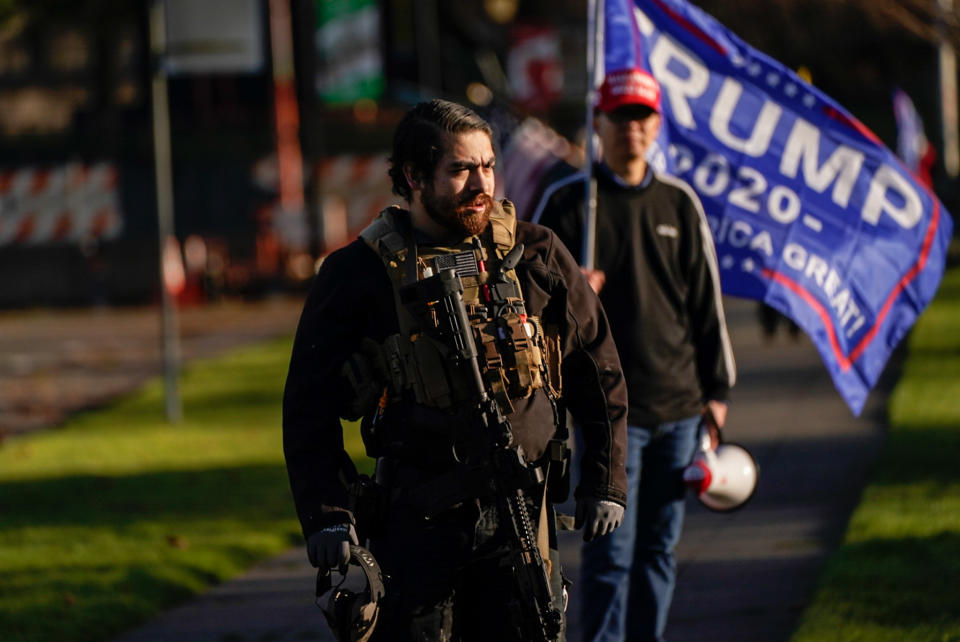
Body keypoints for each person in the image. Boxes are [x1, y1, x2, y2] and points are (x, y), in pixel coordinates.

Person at [282, 99, 628, 642]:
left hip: (522, 515)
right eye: (461, 169)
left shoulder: (536, 254)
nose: (480, 183)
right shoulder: (359, 273)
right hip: (417, 523)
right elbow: (307, 405)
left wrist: (606, 479)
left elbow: (597, 366)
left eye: (488, 165)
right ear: (415, 176)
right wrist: (328, 514)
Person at [532, 68, 737, 642]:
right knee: (609, 559)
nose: (631, 127)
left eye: (641, 115)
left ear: (657, 124)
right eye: (618, 115)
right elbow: (524, 308)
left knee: (657, 553)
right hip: (606, 417)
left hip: (680, 410)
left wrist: (717, 395)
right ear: (597, 123)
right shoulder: (569, 204)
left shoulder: (679, 203)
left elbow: (706, 307)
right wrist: (573, 295)